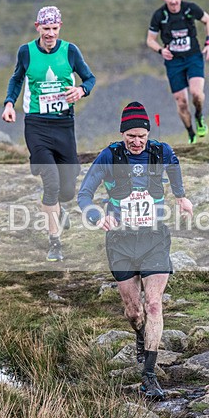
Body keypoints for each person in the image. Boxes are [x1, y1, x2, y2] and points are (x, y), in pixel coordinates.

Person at [78, 101, 194, 400]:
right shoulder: (110, 155)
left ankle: (150, 376)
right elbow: (84, 194)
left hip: (154, 238)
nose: (137, 141)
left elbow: (175, 169)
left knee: (154, 305)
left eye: (141, 135)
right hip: (121, 242)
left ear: (148, 133)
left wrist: (181, 197)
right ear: (122, 134)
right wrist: (96, 216)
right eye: (131, 136)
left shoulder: (161, 152)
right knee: (134, 311)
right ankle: (140, 337)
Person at [2, 5, 96, 262]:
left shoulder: (70, 51)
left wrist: (81, 91)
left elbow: (90, 79)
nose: (50, 34)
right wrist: (9, 103)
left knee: (67, 190)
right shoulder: (27, 52)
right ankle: (54, 242)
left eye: (55, 28)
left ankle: (60, 210)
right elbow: (17, 79)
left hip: (64, 125)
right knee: (51, 183)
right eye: (46, 29)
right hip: (36, 125)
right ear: (38, 27)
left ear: (60, 27)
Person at [146, 0, 209, 144]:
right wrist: (161, 50)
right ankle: (191, 134)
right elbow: (150, 40)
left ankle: (199, 116)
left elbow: (208, 20)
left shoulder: (190, 9)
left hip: (193, 57)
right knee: (181, 102)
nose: (174, 2)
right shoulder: (159, 16)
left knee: (197, 93)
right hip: (174, 62)